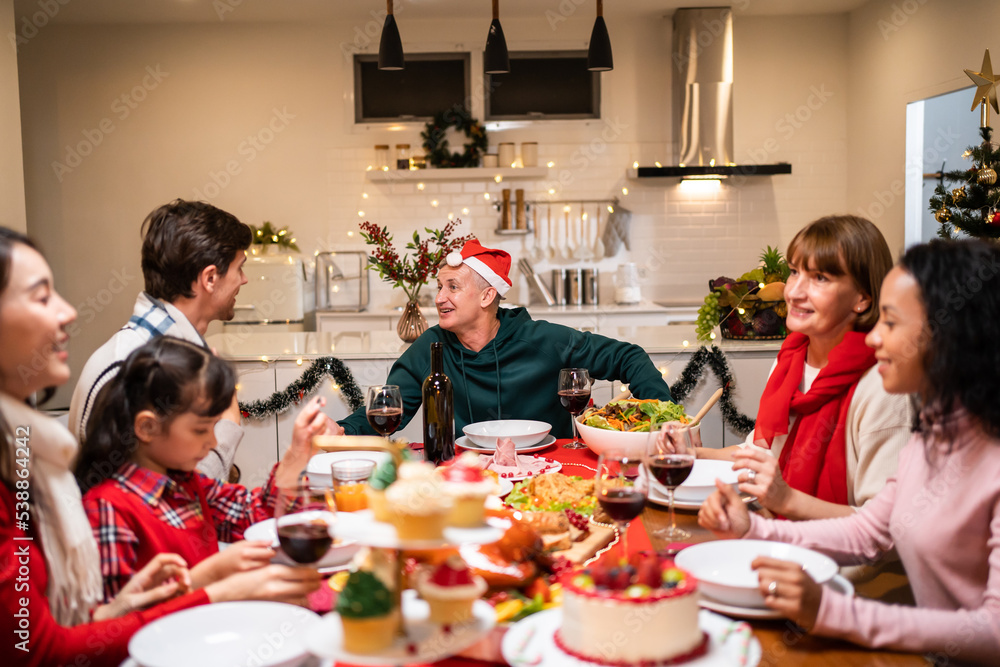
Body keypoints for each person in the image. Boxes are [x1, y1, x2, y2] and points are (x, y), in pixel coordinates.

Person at [0, 228, 319, 667]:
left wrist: (129, 605)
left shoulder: (27, 452)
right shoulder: (100, 499)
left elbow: (85, 622)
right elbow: (36, 650)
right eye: (40, 296)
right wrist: (209, 590)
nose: (69, 312)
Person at [699, 239, 1000, 663]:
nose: (873, 337)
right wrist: (754, 531)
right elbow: (870, 532)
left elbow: (993, 631)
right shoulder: (932, 436)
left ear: (951, 335)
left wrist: (836, 612)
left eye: (891, 323)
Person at [76, 336, 333, 601]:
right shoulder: (108, 509)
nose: (212, 441)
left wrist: (297, 454)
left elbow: (255, 513)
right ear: (147, 427)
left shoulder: (185, 482)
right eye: (201, 430)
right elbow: (119, 625)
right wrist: (207, 578)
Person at [338, 239, 672, 438]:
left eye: (452, 287)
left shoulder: (541, 339)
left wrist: (663, 420)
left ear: (486, 297)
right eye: (439, 287)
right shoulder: (432, 347)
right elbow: (384, 412)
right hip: (467, 479)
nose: (439, 298)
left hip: (546, 473)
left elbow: (629, 357)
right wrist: (341, 431)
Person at [699, 215, 912, 523]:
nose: (795, 292)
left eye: (820, 278)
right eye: (795, 272)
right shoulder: (790, 360)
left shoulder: (884, 387)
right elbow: (759, 455)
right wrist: (690, 455)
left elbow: (887, 530)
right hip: (777, 538)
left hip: (834, 564)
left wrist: (786, 500)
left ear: (862, 298)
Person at [68, 199, 253, 481]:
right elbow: (160, 504)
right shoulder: (129, 370)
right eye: (239, 268)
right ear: (210, 278)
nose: (244, 279)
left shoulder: (180, 354)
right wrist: (228, 426)